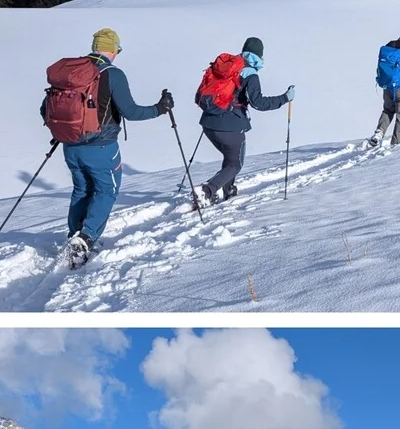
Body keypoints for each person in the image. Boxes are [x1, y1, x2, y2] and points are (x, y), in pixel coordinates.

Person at [41, 28, 172, 263]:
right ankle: (86, 238)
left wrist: (63, 129)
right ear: (113, 50)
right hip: (101, 146)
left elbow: (46, 108)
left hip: (69, 145)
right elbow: (131, 112)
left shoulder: (72, 74)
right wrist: (160, 109)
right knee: (106, 190)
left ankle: (75, 235)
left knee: (81, 189)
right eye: (118, 50)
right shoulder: (112, 74)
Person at [196, 37, 294, 205]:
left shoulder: (226, 67)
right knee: (235, 163)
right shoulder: (250, 73)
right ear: (260, 55)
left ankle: (229, 190)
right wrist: (285, 98)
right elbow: (259, 103)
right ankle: (207, 191)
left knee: (230, 158)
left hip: (208, 123)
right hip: (231, 126)